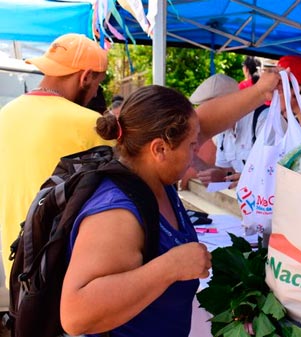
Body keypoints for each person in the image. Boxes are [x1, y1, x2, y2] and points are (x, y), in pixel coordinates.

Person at [61, 85, 212, 337]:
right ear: (159, 149)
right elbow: (75, 316)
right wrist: (171, 267)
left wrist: (261, 90)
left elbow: (210, 120)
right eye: (191, 144)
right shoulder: (117, 214)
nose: (194, 153)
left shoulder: (155, 183)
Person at [0, 33, 112, 282]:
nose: (95, 94)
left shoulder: (5, 115)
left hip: (17, 266)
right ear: (85, 77)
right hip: (66, 274)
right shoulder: (92, 124)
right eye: (97, 85)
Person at [181, 74, 265, 189]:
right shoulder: (222, 131)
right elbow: (226, 171)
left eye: (210, 109)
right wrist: (192, 158)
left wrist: (226, 177)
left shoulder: (262, 119)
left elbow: (276, 173)